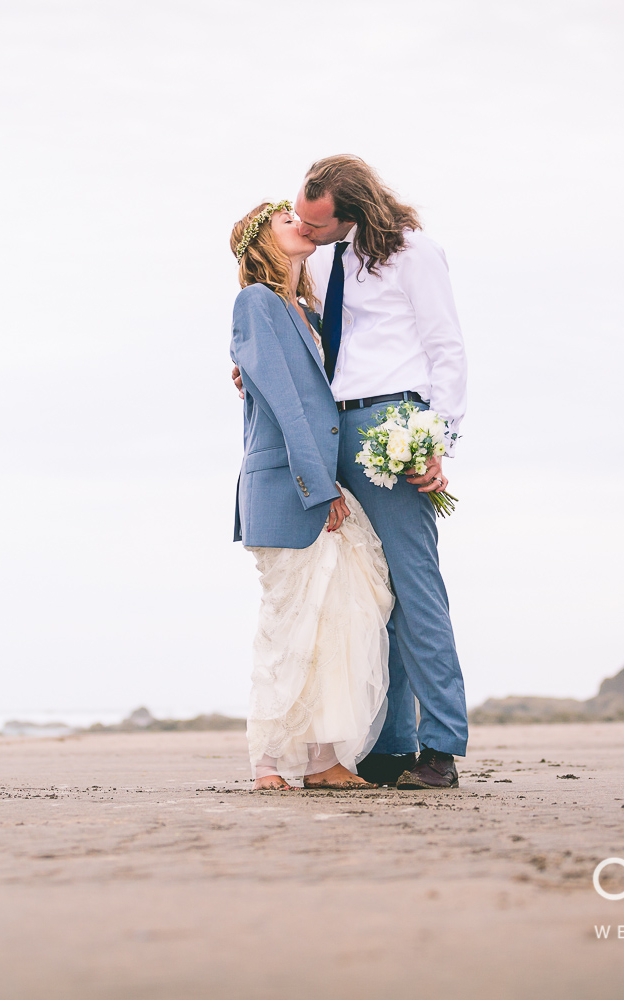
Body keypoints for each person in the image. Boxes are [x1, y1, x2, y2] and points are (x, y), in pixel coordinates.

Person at [231, 156, 469, 790]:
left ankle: (440, 745)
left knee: (414, 584)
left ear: (350, 208)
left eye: (315, 221)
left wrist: (436, 437)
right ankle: (388, 749)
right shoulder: (330, 267)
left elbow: (446, 346)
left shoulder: (413, 252)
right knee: (366, 597)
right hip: (333, 433)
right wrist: (249, 374)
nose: (307, 231)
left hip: (390, 423)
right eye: (297, 221)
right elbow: (305, 362)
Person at [229, 200, 395, 791]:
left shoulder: (301, 310)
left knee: (341, 617)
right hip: (288, 489)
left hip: (320, 485)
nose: (301, 222)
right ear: (260, 243)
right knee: (289, 626)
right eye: (284, 220)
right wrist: (319, 487)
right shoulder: (256, 303)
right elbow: (286, 403)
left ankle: (322, 759)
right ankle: (269, 761)